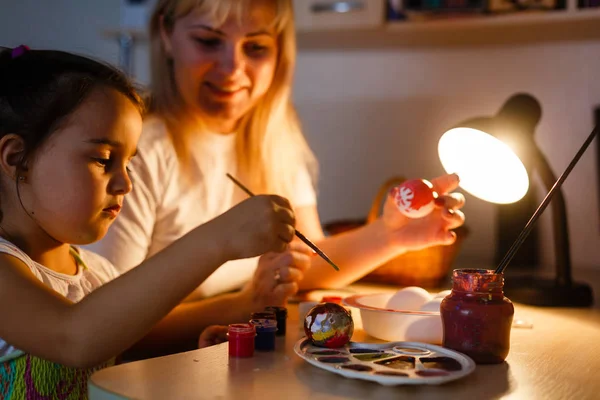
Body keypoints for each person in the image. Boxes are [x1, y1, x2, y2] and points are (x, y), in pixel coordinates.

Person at [89, 0, 465, 352]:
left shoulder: (275, 136)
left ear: (280, 52)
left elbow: (306, 263)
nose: (233, 69)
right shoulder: (138, 152)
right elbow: (107, 328)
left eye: (255, 48)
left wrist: (390, 234)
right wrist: (245, 304)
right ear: (167, 35)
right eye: (207, 41)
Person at [0, 46, 296, 398]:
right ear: (17, 158)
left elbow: (115, 361)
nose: (125, 183)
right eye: (103, 159)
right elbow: (75, 339)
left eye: (128, 164)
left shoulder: (97, 274)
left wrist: (198, 350)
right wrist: (217, 240)